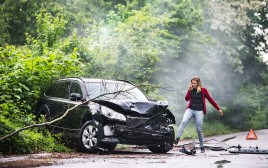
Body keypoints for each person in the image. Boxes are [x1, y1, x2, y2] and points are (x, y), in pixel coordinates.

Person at [174, 76, 223, 153]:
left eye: (194, 83)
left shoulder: (203, 90)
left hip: (199, 111)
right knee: (183, 122)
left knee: (199, 129)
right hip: (190, 109)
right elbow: (186, 99)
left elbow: (210, 99)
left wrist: (218, 109)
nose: (193, 85)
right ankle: (177, 139)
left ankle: (202, 147)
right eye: (192, 83)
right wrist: (189, 91)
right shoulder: (191, 89)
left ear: (198, 83)